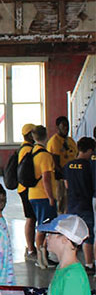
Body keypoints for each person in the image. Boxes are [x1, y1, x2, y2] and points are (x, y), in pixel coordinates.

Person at [63, 137, 95, 273]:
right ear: (89, 150)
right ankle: (89, 265)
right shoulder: (89, 166)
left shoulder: (68, 165)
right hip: (86, 205)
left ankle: (70, 262)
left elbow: (66, 185)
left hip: (72, 204)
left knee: (72, 235)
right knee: (88, 235)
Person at [29, 125, 57, 269]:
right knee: (43, 226)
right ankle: (41, 259)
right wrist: (51, 196)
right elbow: (46, 178)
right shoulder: (44, 155)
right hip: (42, 196)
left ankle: (43, 256)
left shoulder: (33, 151)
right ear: (46, 135)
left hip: (33, 194)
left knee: (43, 225)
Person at [47, 117, 78, 214]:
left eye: (67, 126)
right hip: (60, 178)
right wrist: (66, 176)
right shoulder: (54, 141)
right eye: (63, 126)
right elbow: (56, 163)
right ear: (57, 127)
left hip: (72, 176)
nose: (66, 128)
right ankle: (60, 222)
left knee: (70, 201)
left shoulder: (71, 141)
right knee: (62, 200)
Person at [17, 123, 38, 261]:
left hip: (24, 188)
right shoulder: (27, 150)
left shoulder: (24, 148)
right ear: (30, 134)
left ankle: (32, 247)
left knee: (32, 218)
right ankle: (31, 248)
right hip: (27, 189)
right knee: (31, 218)